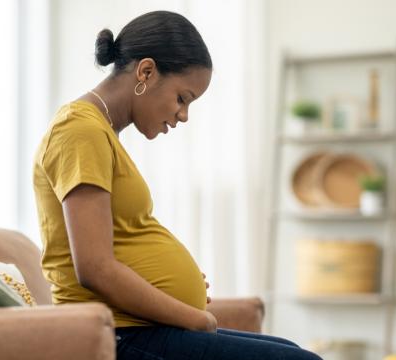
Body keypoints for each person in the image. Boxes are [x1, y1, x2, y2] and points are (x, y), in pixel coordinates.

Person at [33, 10, 322, 360]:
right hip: (117, 335)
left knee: (290, 352)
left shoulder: (100, 131)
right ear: (146, 71)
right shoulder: (79, 131)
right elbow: (94, 268)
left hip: (137, 327)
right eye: (182, 98)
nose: (183, 115)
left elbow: (121, 241)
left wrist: (174, 285)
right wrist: (194, 317)